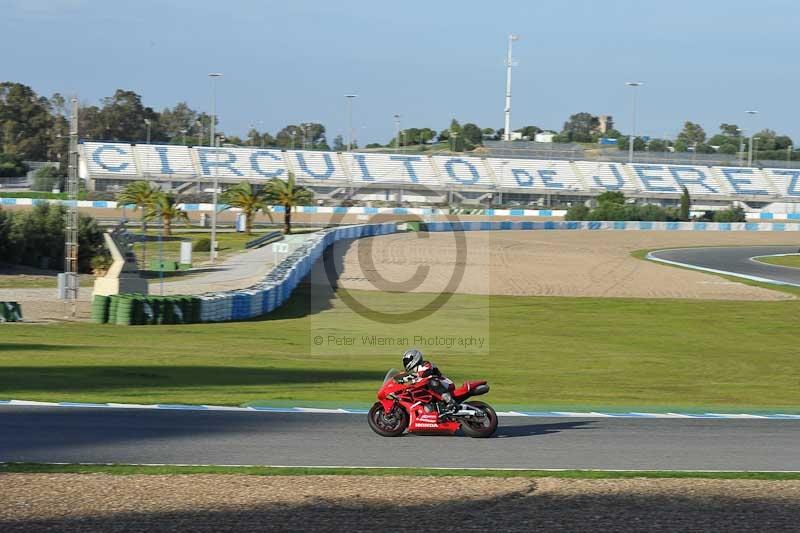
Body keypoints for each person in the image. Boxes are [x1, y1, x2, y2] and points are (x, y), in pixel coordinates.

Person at [401, 349, 457, 414]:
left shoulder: (425, 364)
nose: (406, 363)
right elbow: (417, 378)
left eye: (407, 360)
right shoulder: (417, 371)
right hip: (435, 391)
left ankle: (450, 401)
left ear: (415, 358)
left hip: (445, 384)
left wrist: (410, 379)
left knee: (431, 381)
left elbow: (425, 374)